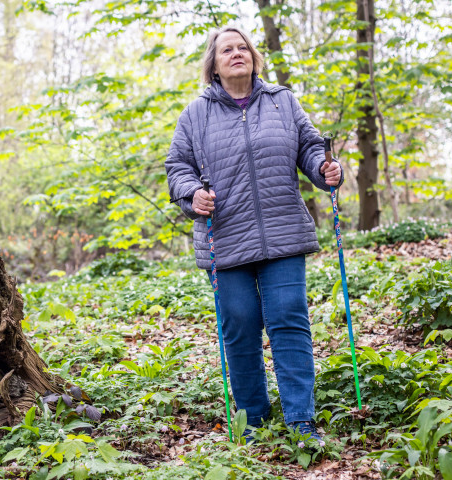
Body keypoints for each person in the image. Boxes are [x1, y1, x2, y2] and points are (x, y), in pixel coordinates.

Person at [165, 26, 342, 447]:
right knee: (240, 327)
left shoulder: (283, 101)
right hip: (225, 240)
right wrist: (192, 194)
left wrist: (323, 169)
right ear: (214, 63)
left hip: (282, 234)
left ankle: (301, 420)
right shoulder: (194, 115)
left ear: (254, 56)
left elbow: (311, 148)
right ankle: (254, 423)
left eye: (243, 47)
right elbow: (177, 169)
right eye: (227, 49)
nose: (236, 53)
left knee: (289, 321)